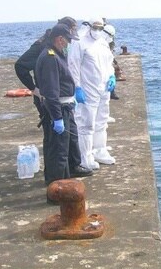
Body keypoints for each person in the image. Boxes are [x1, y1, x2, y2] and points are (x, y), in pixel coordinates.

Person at [35, 24, 87, 186]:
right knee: (58, 151)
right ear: (59, 39)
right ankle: (57, 189)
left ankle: (66, 177)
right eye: (67, 40)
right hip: (58, 110)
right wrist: (57, 117)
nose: (69, 44)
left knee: (66, 147)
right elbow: (51, 92)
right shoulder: (51, 58)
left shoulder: (57, 55)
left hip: (66, 106)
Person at [68, 17, 116, 170]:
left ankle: (100, 150)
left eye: (100, 28)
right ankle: (86, 157)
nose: (97, 31)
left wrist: (112, 76)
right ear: (88, 26)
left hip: (103, 87)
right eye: (95, 27)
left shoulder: (102, 42)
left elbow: (109, 62)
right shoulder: (80, 42)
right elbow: (73, 65)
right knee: (86, 124)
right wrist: (77, 87)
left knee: (102, 121)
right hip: (88, 88)